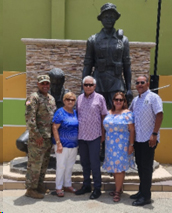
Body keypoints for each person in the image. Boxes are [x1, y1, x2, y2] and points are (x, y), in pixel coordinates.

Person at [82, 3, 133, 109]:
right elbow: (88, 64)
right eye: (106, 17)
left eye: (112, 17)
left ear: (116, 19)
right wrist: (83, 88)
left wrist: (129, 88)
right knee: (96, 113)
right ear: (101, 19)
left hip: (116, 82)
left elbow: (127, 65)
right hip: (98, 82)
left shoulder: (123, 40)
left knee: (117, 113)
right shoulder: (93, 40)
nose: (109, 20)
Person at [129, 75, 163, 206]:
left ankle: (146, 196)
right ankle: (141, 191)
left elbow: (159, 115)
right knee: (140, 167)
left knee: (147, 167)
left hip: (149, 139)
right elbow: (130, 114)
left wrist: (154, 134)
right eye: (137, 83)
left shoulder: (154, 97)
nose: (140, 85)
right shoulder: (136, 100)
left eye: (142, 82)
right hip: (138, 139)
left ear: (147, 84)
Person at [75, 76, 108, 199]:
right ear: (83, 86)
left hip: (95, 136)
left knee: (95, 163)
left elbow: (104, 116)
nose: (88, 87)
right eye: (86, 85)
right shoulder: (79, 99)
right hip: (82, 137)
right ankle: (86, 185)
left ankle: (97, 188)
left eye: (90, 85)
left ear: (94, 86)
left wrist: (103, 134)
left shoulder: (100, 98)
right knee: (84, 163)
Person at [25, 75, 56, 199]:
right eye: (42, 83)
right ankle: (30, 189)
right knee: (34, 165)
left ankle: (39, 185)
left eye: (47, 83)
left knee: (43, 164)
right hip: (37, 139)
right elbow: (30, 119)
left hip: (48, 138)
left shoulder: (51, 98)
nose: (45, 86)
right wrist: (37, 135)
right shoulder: (34, 98)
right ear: (38, 84)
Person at [103, 92, 135, 202]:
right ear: (113, 101)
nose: (118, 101)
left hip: (122, 144)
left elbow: (132, 130)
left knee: (119, 168)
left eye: (121, 100)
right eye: (116, 99)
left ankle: (117, 191)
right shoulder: (108, 112)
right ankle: (118, 188)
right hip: (110, 144)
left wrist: (131, 145)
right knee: (114, 167)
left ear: (124, 102)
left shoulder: (127, 114)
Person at [52, 92, 78, 197]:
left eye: (72, 100)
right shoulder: (60, 112)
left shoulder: (75, 112)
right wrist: (58, 143)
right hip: (62, 145)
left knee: (70, 166)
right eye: (68, 99)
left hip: (74, 145)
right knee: (61, 166)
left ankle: (67, 185)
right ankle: (58, 187)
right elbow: (54, 127)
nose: (70, 101)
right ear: (64, 100)